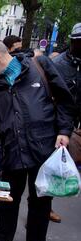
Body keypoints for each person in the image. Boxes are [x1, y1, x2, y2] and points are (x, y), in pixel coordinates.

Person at [0, 39, 76, 241]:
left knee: (40, 203)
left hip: (42, 148)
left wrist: (64, 131)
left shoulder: (39, 66)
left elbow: (65, 100)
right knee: (7, 198)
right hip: (12, 150)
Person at [52, 22, 81, 223]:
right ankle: (44, 203)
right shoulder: (59, 64)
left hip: (75, 122)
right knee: (54, 164)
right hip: (58, 122)